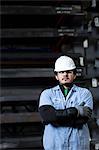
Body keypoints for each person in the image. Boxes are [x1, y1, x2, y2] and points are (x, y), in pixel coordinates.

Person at [38, 55, 93, 150]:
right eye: (61, 72)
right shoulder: (47, 94)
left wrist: (56, 118)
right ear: (56, 76)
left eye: (69, 72)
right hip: (54, 145)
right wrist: (75, 111)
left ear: (75, 75)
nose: (65, 75)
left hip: (78, 145)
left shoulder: (85, 93)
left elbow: (82, 120)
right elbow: (48, 116)